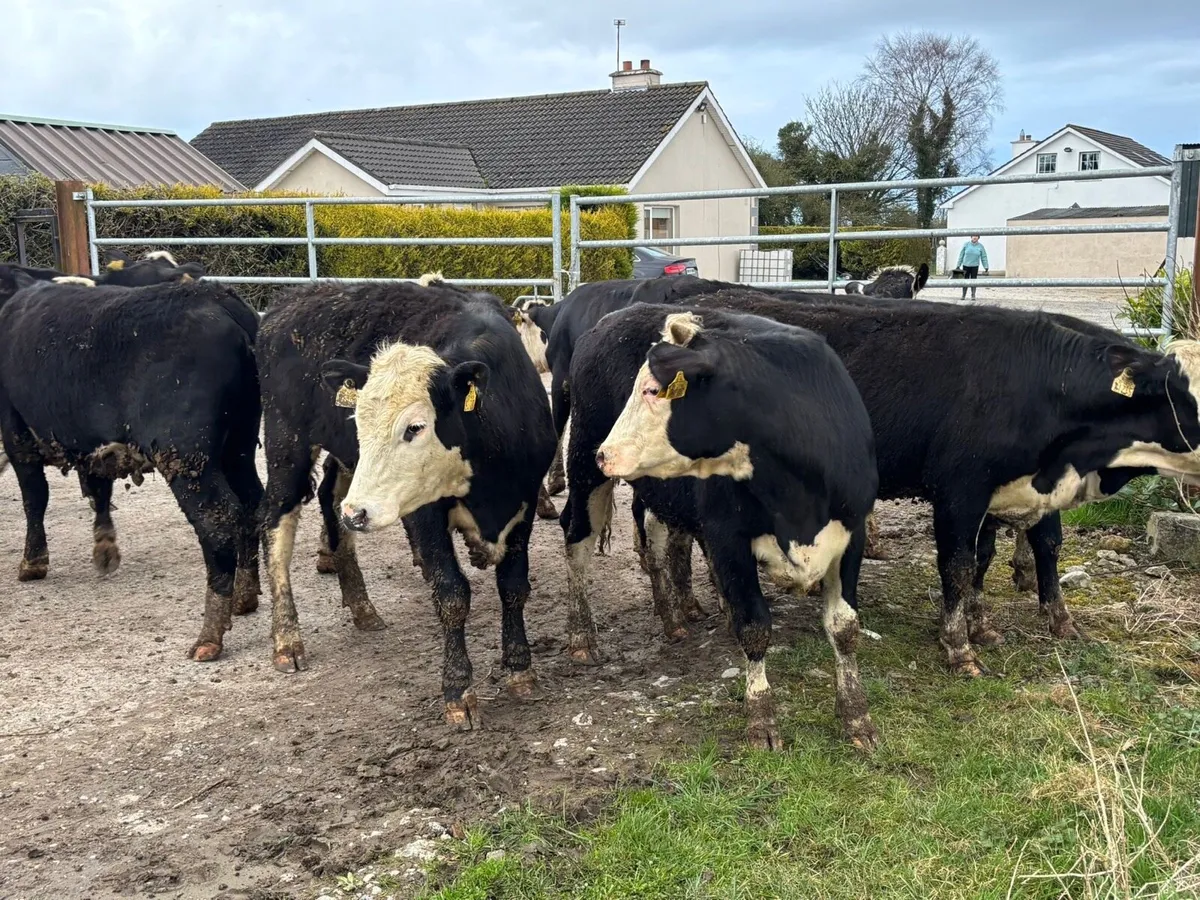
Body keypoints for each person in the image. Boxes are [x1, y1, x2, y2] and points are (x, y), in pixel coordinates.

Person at [956, 235, 988, 300]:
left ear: (978, 238)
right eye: (973, 236)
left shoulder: (980, 246)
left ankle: (973, 295)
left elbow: (984, 257)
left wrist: (986, 266)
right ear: (971, 237)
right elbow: (961, 255)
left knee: (974, 281)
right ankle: (963, 295)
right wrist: (958, 265)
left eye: (976, 236)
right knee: (965, 281)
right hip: (966, 265)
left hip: (975, 266)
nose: (975, 237)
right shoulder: (966, 244)